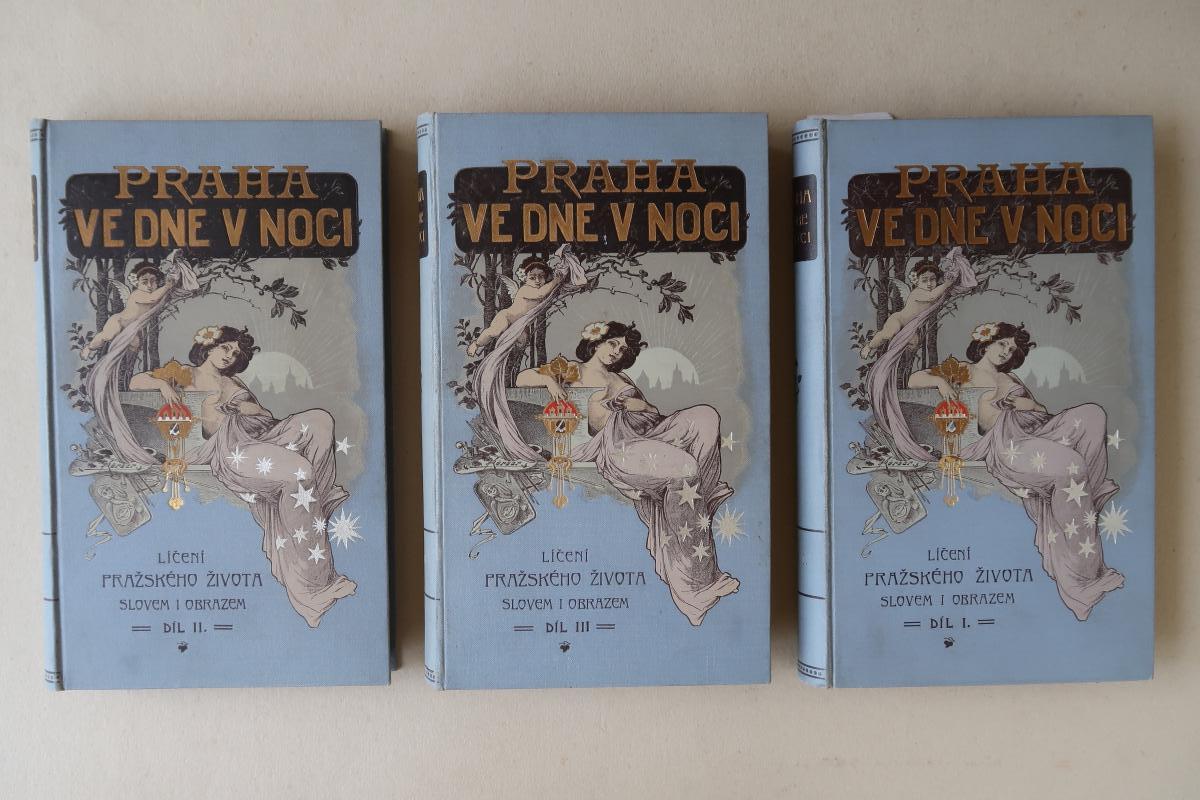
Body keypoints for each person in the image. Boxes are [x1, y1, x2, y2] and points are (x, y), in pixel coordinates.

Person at [127, 325, 357, 627]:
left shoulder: (233, 382)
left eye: (235, 353)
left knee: (320, 420)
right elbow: (135, 381)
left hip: (261, 435)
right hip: (232, 449)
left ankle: (312, 499)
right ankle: (314, 585)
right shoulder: (182, 373)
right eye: (225, 348)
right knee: (299, 473)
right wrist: (162, 385)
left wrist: (246, 407)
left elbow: (262, 414)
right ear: (209, 347)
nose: (230, 356)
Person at [514, 321, 739, 625]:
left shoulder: (621, 378)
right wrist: (551, 382)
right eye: (613, 344)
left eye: (622, 349)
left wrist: (640, 405)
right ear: (596, 342)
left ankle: (695, 494)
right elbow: (522, 377)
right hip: (620, 446)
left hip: (650, 433)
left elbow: (651, 414)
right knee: (685, 468)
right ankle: (697, 582)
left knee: (706, 415)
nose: (617, 352)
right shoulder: (572, 370)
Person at [81, 261, 180, 359]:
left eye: (153, 281)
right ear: (137, 283)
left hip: (132, 328)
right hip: (119, 322)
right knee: (108, 335)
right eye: (144, 282)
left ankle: (122, 363)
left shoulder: (157, 294)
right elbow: (152, 298)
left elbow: (161, 300)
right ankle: (89, 348)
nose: (149, 285)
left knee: (136, 346)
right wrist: (167, 286)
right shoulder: (138, 294)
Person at [860, 257, 953, 360]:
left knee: (914, 345)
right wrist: (946, 284)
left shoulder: (935, 292)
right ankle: (869, 346)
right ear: (916, 281)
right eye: (924, 280)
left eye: (932, 279)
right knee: (889, 333)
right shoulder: (918, 292)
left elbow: (939, 296)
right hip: (898, 320)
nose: (929, 284)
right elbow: (932, 296)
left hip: (911, 327)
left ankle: (896, 360)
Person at [467, 258, 562, 357]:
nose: (537, 281)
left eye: (541, 277)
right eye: (532, 278)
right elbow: (540, 294)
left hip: (520, 324)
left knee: (522, 343)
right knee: (496, 331)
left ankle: (504, 355)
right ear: (525, 278)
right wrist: (555, 281)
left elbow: (547, 295)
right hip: (507, 317)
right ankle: (476, 344)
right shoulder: (525, 289)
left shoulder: (544, 290)